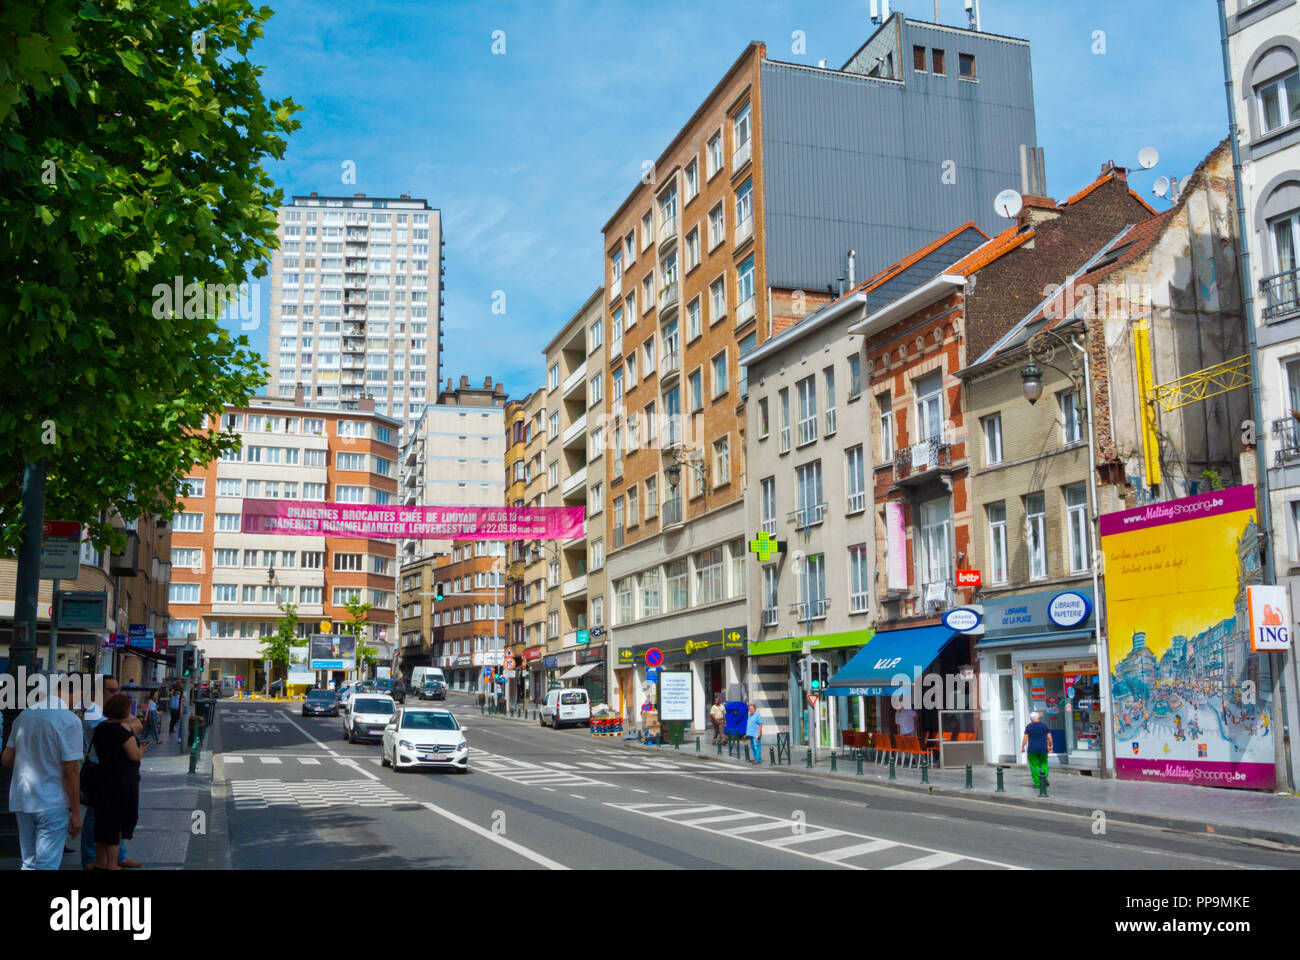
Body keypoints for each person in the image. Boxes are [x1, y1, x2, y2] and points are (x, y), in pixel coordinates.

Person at [1, 680, 83, 870]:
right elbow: (70, 770)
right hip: (52, 800)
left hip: (23, 798)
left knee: (29, 862)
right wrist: (76, 813)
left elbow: (6, 759)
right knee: (46, 863)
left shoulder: (25, 715)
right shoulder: (69, 720)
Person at [80, 675, 144, 869]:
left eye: (118, 689)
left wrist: (124, 724)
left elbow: (137, 725)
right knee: (98, 818)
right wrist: (125, 725)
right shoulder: (93, 712)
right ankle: (92, 859)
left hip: (112, 774)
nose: (117, 693)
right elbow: (122, 731)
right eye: (112, 690)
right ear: (99, 692)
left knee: (114, 818)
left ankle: (117, 857)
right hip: (100, 771)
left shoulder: (111, 713)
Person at [92, 693, 149, 870]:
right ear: (123, 710)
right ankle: (112, 864)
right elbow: (134, 755)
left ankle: (100, 862)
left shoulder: (101, 727)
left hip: (103, 778)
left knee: (103, 821)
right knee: (116, 822)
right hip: (122, 782)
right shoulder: (121, 731)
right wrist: (142, 749)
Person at [1021, 711, 1052, 789]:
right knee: (1044, 763)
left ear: (1031, 719)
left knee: (1034, 766)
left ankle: (1038, 783)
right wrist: (1050, 745)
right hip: (1043, 749)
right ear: (1038, 717)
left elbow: (1025, 738)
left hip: (1032, 750)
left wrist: (1022, 747)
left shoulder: (1029, 727)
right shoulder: (1044, 726)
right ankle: (1044, 777)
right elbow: (1049, 737)